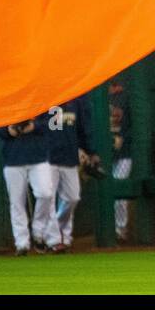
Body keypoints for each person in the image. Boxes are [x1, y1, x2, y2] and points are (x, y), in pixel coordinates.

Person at [47, 96, 97, 253]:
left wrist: (90, 151)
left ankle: (59, 232)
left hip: (69, 156)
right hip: (47, 157)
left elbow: (84, 128)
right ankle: (57, 240)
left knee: (73, 197)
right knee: (48, 198)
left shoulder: (77, 98)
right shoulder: (43, 94)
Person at [0, 115, 54, 255]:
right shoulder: (4, 97)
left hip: (39, 155)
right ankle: (21, 243)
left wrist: (35, 126)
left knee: (45, 193)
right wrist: (7, 130)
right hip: (13, 156)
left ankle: (38, 232)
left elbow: (56, 123)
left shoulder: (41, 97)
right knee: (16, 202)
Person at [108, 79, 133, 242]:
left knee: (119, 189)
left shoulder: (127, 97)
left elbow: (134, 125)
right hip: (104, 153)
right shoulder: (98, 98)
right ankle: (111, 228)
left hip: (124, 153)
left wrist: (123, 138)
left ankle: (120, 229)